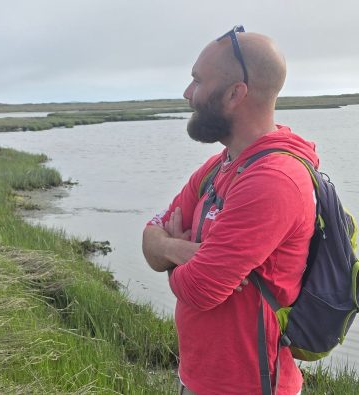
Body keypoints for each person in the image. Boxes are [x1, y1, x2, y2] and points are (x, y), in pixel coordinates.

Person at [141, 27, 315, 395]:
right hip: (200, 377)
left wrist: (174, 260)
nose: (187, 94)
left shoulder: (274, 180)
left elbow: (200, 289)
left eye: (197, 81)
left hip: (252, 386)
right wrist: (176, 250)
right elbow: (150, 237)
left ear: (237, 93)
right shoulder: (218, 167)